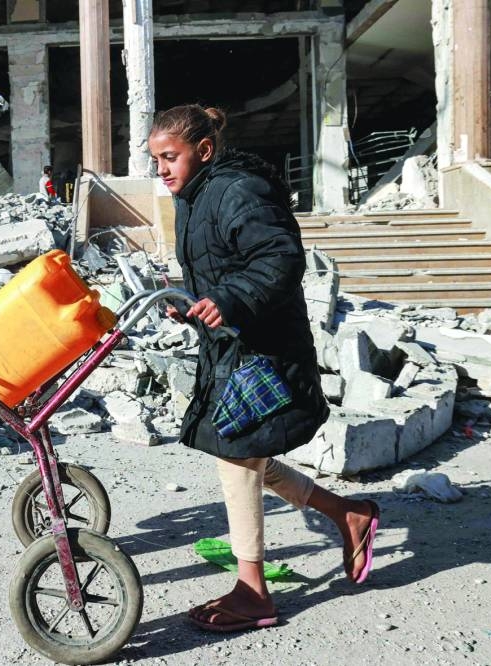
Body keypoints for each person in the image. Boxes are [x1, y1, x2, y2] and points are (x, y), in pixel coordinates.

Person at [148, 104, 380, 632]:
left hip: (266, 349)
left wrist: (228, 299)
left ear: (203, 151)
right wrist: (194, 302)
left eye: (169, 157)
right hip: (234, 345)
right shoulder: (195, 195)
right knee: (243, 455)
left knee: (238, 455)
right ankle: (348, 515)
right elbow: (221, 268)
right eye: (155, 159)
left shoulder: (237, 189)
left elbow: (279, 258)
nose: (160, 169)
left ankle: (253, 591)